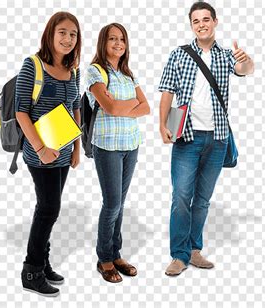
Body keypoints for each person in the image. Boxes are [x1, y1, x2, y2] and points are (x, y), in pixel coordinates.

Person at [158, 2, 254, 276]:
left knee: (201, 200)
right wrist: (162, 125)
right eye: (196, 21)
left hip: (218, 138)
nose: (201, 24)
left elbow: (246, 70)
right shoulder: (179, 54)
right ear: (192, 25)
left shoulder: (226, 56)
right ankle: (178, 255)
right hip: (186, 136)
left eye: (206, 19)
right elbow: (167, 91)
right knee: (180, 197)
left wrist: (246, 60)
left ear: (215, 21)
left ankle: (194, 250)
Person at [15, 11, 82, 296]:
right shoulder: (33, 65)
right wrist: (41, 149)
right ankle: (31, 270)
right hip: (39, 153)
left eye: (73, 34)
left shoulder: (73, 69)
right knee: (49, 208)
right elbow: (20, 111)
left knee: (49, 208)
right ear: (50, 34)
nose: (68, 39)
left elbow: (76, 106)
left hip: (64, 152)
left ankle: (42, 262)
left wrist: (78, 146)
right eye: (63, 32)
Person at [85, 23, 150, 283]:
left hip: (130, 145)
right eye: (112, 39)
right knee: (111, 203)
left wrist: (122, 105)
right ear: (103, 42)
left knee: (120, 204)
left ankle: (116, 253)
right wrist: (128, 104)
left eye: (122, 39)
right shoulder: (95, 71)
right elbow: (109, 107)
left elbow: (146, 108)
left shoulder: (127, 74)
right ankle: (104, 259)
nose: (118, 43)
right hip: (107, 146)